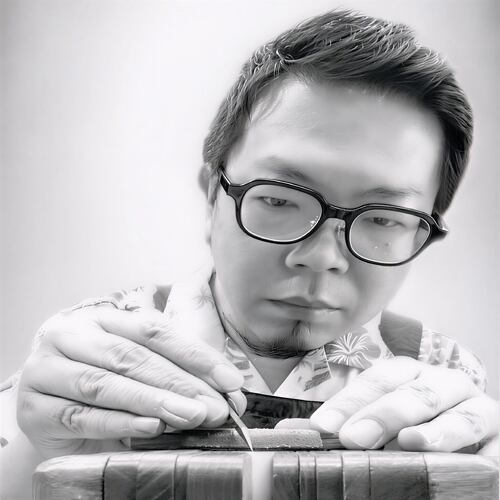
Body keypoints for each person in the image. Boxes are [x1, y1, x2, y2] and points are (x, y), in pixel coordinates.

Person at [1, 8, 498, 498]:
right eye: (279, 200)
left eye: (384, 219)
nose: (321, 257)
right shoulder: (91, 352)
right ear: (211, 196)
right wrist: (35, 457)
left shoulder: (444, 374)